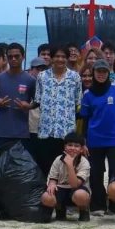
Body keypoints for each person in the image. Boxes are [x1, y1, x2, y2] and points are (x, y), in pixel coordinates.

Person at [80, 60, 115, 214]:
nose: (101, 74)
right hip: (94, 139)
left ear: (109, 73)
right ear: (93, 72)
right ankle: (98, 205)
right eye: (98, 71)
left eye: (104, 71)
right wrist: (84, 142)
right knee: (96, 172)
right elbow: (85, 120)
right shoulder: (87, 94)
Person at [34, 46, 82, 175]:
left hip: (66, 132)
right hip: (46, 131)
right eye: (57, 56)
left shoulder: (75, 77)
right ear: (51, 58)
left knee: (66, 170)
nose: (60, 59)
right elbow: (37, 100)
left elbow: (78, 102)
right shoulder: (42, 77)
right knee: (45, 168)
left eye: (63, 57)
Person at [0, 43, 37, 152]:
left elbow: (38, 102)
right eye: (10, 57)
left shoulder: (30, 80)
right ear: (6, 58)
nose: (13, 59)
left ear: (23, 57)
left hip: (22, 134)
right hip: (0, 132)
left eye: (17, 56)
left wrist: (29, 106)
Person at [41, 132, 91, 222]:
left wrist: (70, 165)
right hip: (62, 188)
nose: (72, 148)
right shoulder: (58, 159)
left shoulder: (84, 162)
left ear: (81, 149)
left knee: (81, 195)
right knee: (46, 196)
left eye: (76, 146)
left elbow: (75, 185)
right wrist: (52, 184)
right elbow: (53, 178)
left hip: (77, 190)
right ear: (65, 147)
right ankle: (60, 211)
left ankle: (84, 211)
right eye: (70, 145)